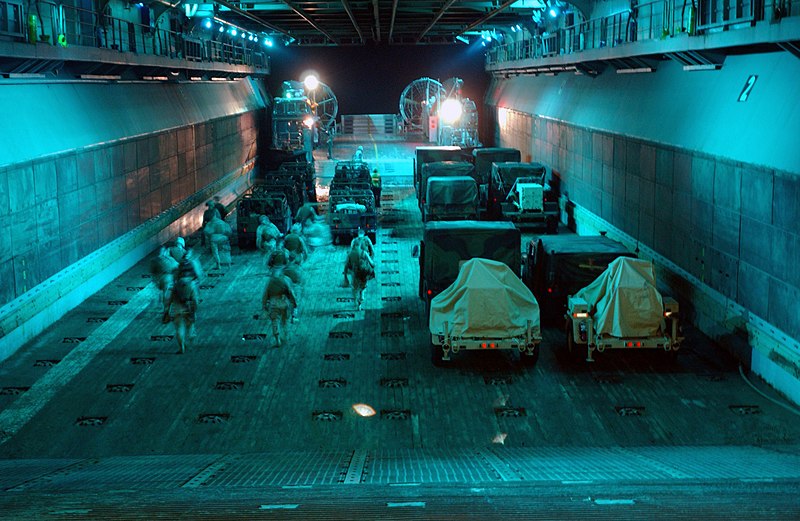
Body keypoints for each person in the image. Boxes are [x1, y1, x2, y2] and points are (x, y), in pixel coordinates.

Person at [168, 250, 202, 354]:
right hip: (189, 306)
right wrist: (195, 310)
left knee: (179, 328)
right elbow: (195, 300)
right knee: (190, 324)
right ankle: (191, 337)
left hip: (178, 307)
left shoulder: (176, 285)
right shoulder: (192, 284)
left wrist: (167, 310)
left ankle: (181, 347)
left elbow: (170, 299)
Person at [261, 266, 298, 347]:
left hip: (273, 302)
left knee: (275, 321)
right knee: (285, 320)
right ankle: (285, 334)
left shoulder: (269, 282)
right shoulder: (286, 279)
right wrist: (294, 304)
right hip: (284, 301)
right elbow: (291, 292)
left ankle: (277, 340)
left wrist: (264, 305)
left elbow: (265, 294)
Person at [150, 246, 179, 322]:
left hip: (160, 279)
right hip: (168, 279)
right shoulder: (170, 260)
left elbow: (152, 272)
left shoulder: (154, 260)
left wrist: (156, 282)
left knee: (164, 295)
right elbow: (177, 267)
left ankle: (166, 310)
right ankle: (167, 312)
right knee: (169, 297)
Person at [343, 244, 375, 311]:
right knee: (362, 289)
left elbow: (346, 266)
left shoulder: (350, 254)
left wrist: (345, 277)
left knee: (355, 289)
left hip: (355, 275)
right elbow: (372, 264)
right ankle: (361, 299)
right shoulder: (364, 253)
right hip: (363, 274)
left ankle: (356, 303)